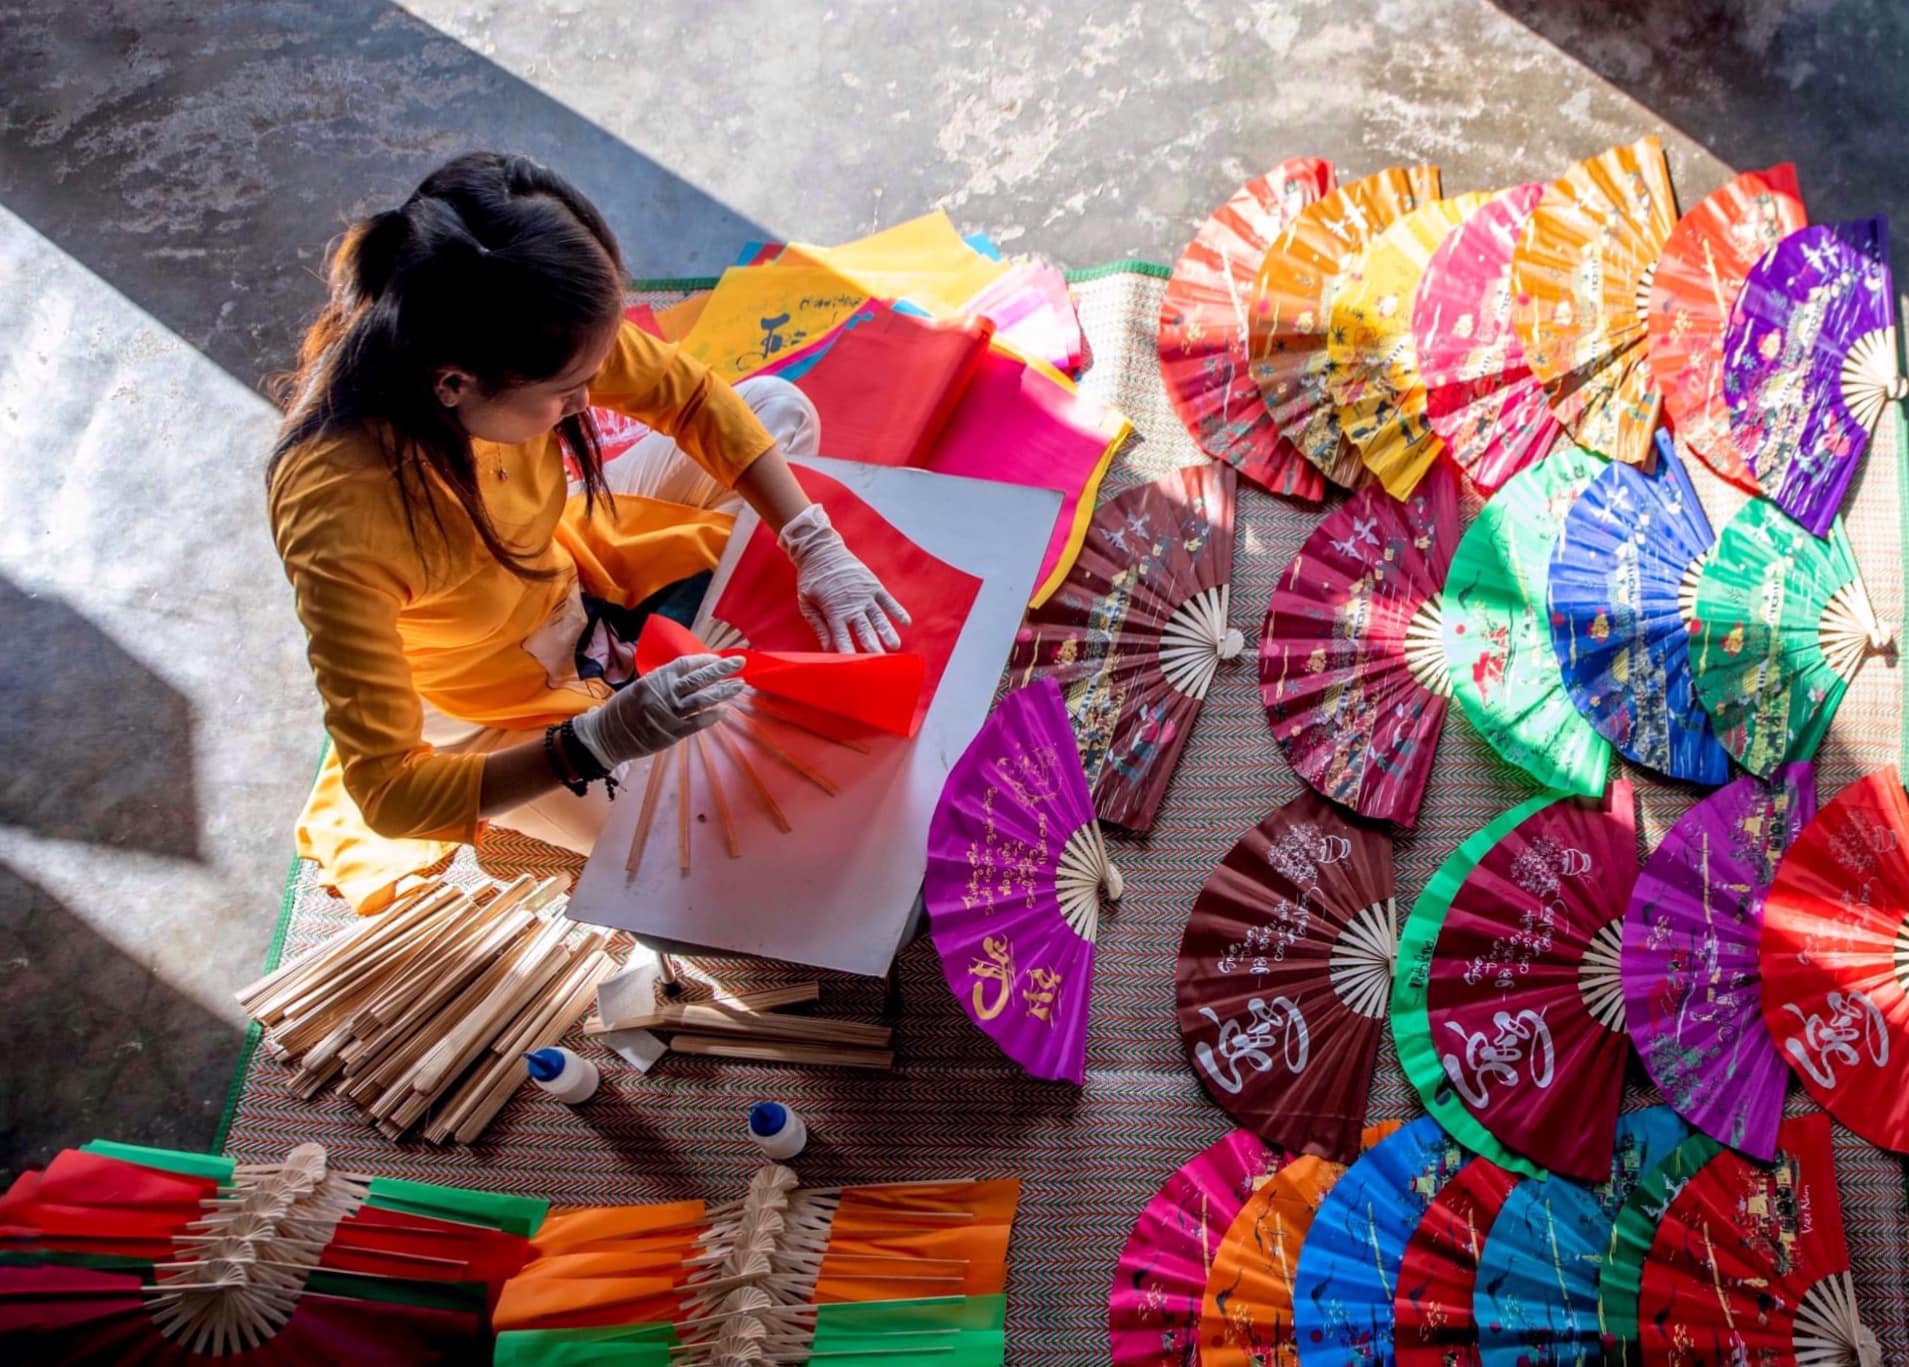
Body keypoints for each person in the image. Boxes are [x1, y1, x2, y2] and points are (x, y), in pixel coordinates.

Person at [267, 152, 907, 909]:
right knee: (702, 839)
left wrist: (812, 541)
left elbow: (691, 397)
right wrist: (593, 742)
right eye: (570, 393)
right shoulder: (339, 518)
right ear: (453, 386)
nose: (590, 398)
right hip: (486, 709)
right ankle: (637, 674)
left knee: (773, 407)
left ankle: (652, 639)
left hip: (566, 564)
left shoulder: (511, 325)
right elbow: (391, 794)